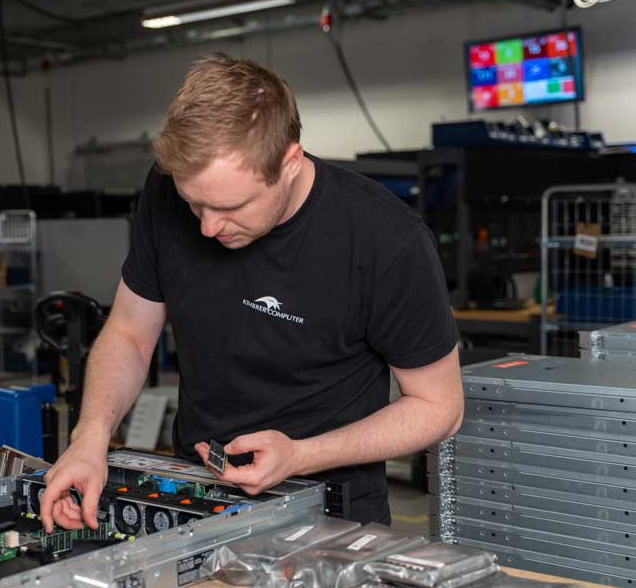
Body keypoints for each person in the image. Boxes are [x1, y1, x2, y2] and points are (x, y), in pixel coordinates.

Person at [39, 53, 463, 531]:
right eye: (193, 204)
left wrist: (301, 455)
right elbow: (130, 335)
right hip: (194, 500)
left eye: (230, 207)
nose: (207, 227)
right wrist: (90, 438)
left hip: (330, 518)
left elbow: (439, 408)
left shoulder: (385, 239)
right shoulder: (167, 190)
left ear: (289, 163)